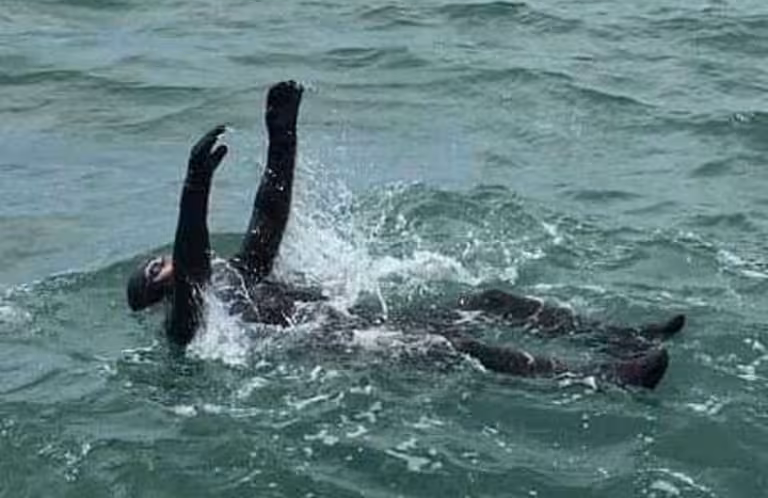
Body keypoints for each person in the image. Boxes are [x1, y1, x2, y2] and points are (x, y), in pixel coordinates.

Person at [126, 81, 683, 389]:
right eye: (155, 267)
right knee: (460, 348)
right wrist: (195, 185)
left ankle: (620, 337)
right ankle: (609, 378)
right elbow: (192, 262)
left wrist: (282, 135)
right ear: (157, 291)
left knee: (488, 299)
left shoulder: (238, 281)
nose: (163, 259)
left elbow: (267, 220)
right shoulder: (192, 325)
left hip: (361, 321)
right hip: (346, 349)